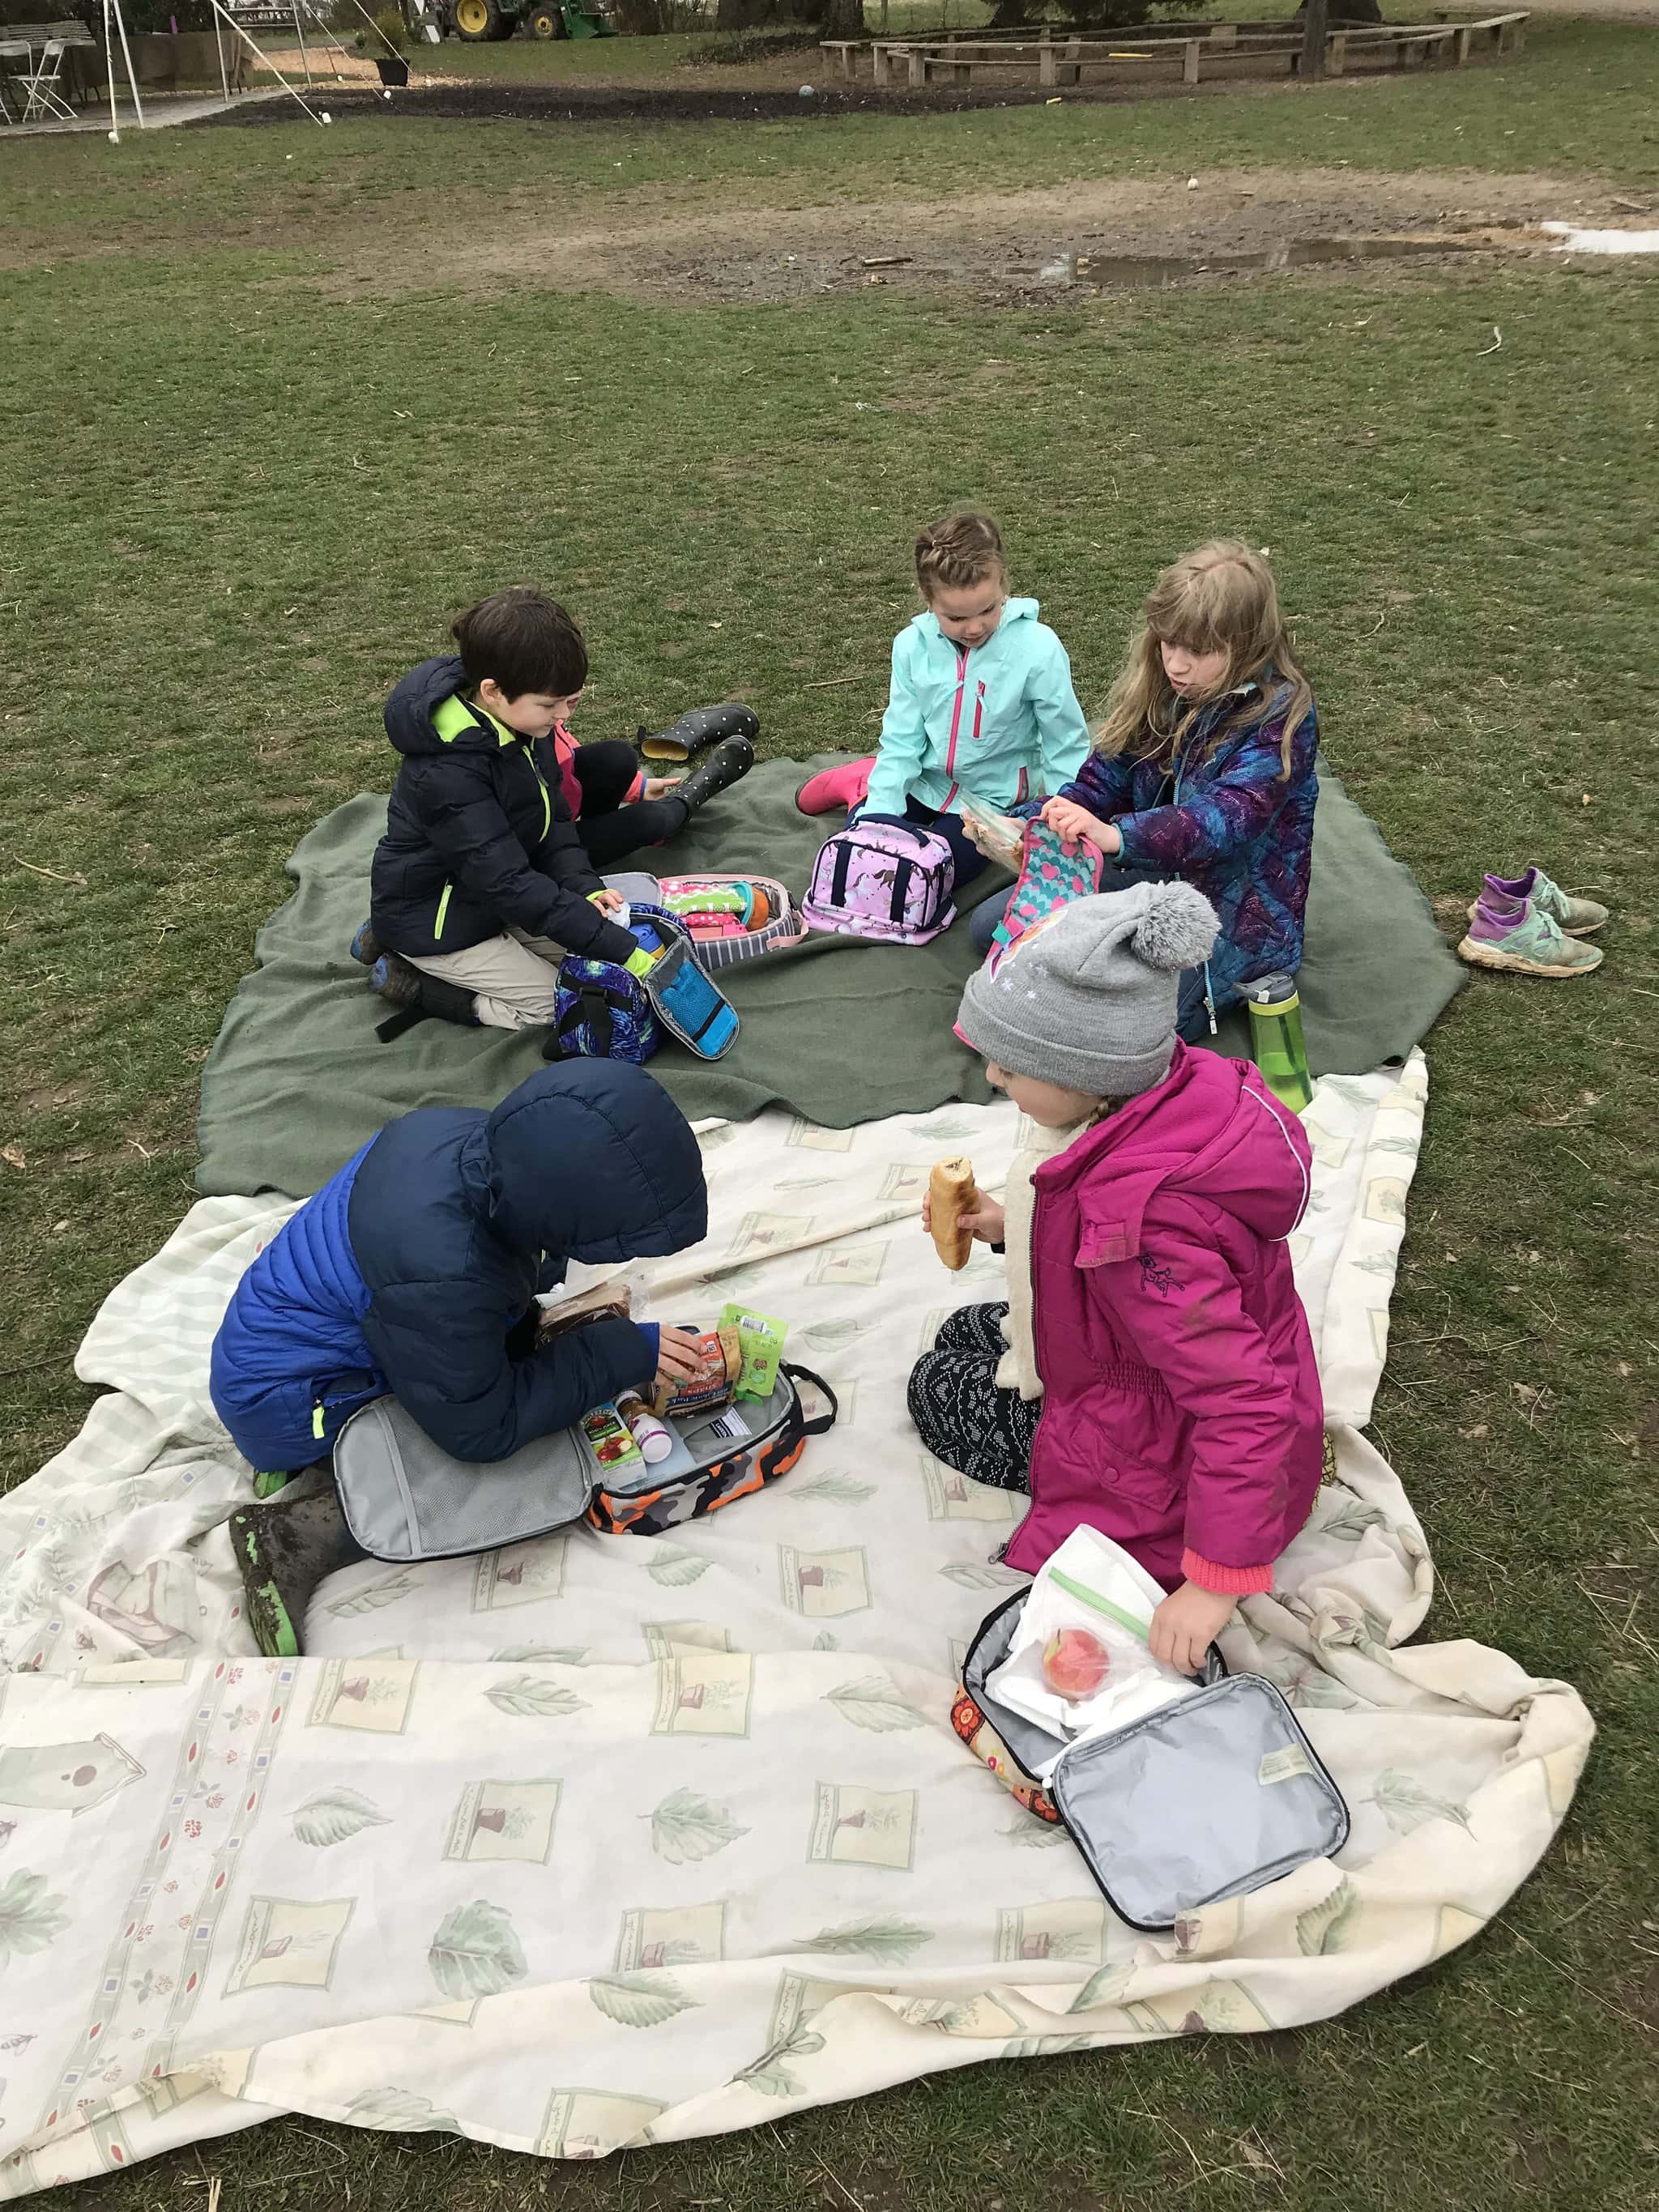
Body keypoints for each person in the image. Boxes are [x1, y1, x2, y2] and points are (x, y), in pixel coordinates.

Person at [909, 883, 1324, 1675]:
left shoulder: (1150, 1227)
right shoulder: (1169, 1091)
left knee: (936, 1385)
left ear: (1089, 1075)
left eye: (1012, 1066)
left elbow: (1243, 1402)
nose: (992, 1076)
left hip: (1159, 1460)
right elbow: (1090, 1243)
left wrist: (1214, 1578)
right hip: (1135, 1370)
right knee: (963, 1332)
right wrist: (1004, 1226)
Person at [210, 1060, 710, 1655]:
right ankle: (292, 1535)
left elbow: (503, 1253)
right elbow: (481, 1428)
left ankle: (341, 1460)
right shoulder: (443, 1273)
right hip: (288, 1405)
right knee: (494, 1458)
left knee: (504, 1377)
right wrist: (620, 1352)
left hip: (317, 1346)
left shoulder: (479, 1142)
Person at [357, 586, 755, 1031]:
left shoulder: (524, 728)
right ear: (492, 692)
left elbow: (554, 825)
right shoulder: (447, 775)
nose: (563, 716)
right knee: (562, 1005)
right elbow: (507, 882)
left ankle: (400, 944)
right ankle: (417, 982)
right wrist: (617, 946)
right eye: (550, 705)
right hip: (439, 927)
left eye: (572, 701)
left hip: (492, 904)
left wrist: (585, 887)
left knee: (605, 972)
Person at [967, 541, 1319, 1041]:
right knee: (992, 927)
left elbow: (1223, 820)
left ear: (1247, 646)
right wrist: (1030, 822)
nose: (1176, 664)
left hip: (1230, 914)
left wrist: (1116, 837)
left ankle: (1101, 974)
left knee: (1147, 1027)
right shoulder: (1165, 688)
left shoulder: (1281, 718)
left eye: (1197, 651)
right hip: (1143, 873)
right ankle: (1099, 964)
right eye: (1168, 643)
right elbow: (1104, 778)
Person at [794, 512, 1090, 906]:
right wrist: (879, 811)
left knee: (925, 881)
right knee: (857, 865)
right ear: (927, 598)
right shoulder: (910, 647)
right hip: (922, 783)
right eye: (956, 617)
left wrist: (1063, 814)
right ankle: (863, 783)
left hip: (990, 802)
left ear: (1003, 583)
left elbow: (1064, 742)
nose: (974, 628)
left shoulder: (1039, 648)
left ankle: (859, 778)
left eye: (988, 609)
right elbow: (902, 741)